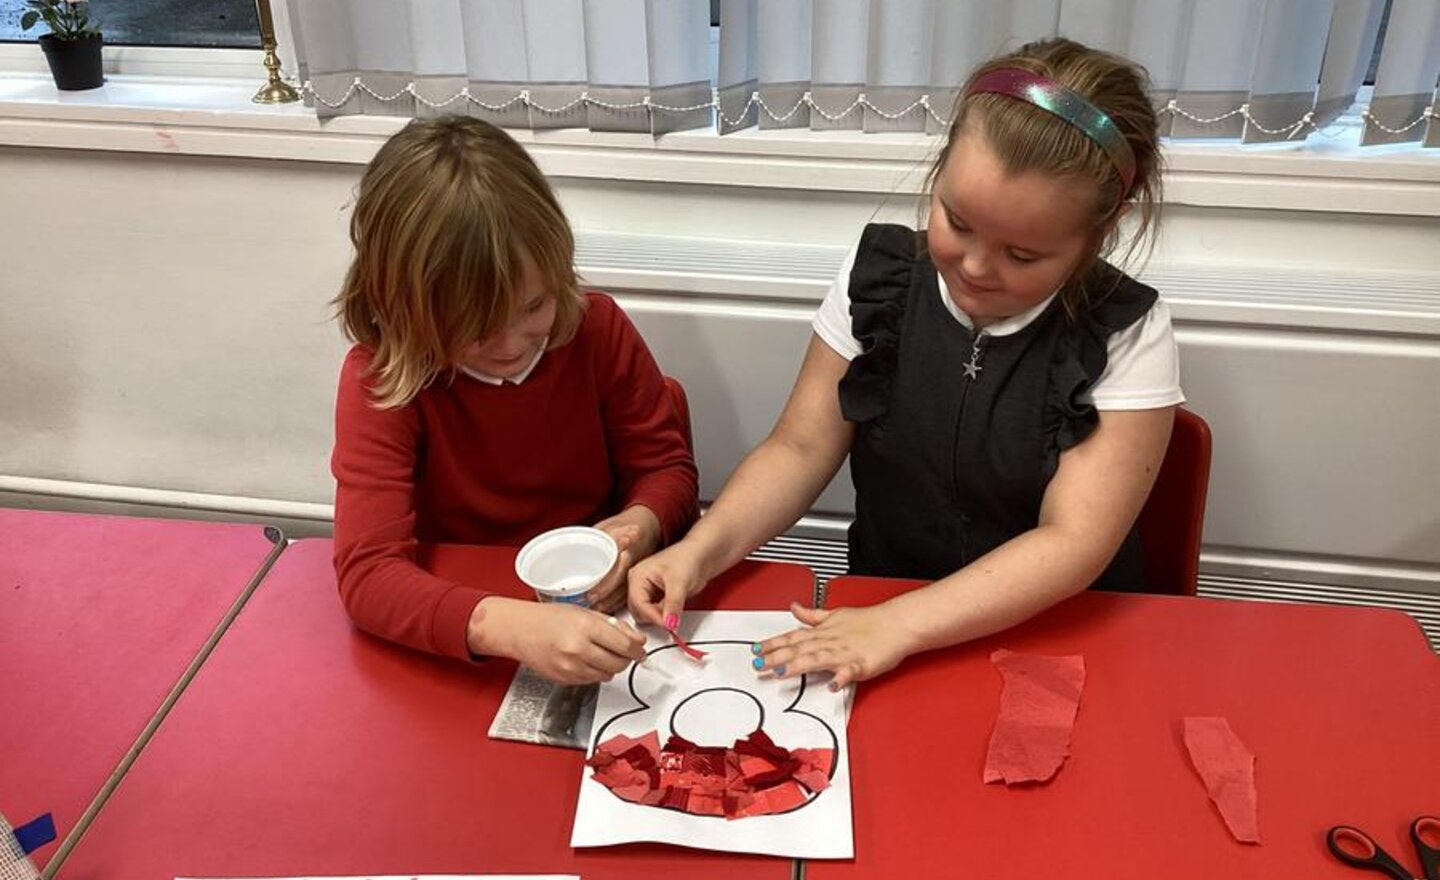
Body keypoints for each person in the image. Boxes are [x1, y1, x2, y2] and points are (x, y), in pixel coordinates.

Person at [630, 38, 1183, 690]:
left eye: (1024, 256)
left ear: (1101, 230)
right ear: (940, 167)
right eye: (957, 220)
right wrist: (699, 551)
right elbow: (799, 449)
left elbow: (1072, 543)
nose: (977, 266)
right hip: (878, 612)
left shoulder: (1128, 331)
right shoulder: (880, 283)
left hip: (1049, 633)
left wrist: (898, 624)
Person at [331, 115, 698, 685]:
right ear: (405, 307)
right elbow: (368, 574)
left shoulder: (596, 329)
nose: (510, 345)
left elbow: (665, 468)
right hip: (467, 629)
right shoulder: (381, 381)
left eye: (534, 307)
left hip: (604, 613)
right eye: (474, 327)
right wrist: (506, 626)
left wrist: (638, 525)